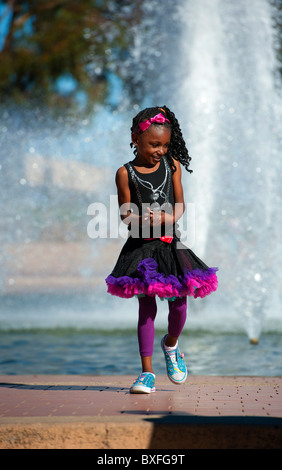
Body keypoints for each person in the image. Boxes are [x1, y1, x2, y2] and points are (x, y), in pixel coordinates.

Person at [105, 106, 218, 393]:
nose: (160, 150)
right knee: (146, 306)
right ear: (135, 139)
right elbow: (125, 214)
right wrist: (139, 219)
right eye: (155, 144)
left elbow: (180, 205)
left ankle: (171, 344)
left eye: (165, 145)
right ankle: (146, 373)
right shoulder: (124, 173)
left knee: (179, 304)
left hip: (171, 247)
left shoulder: (173, 166)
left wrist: (167, 218)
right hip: (141, 249)